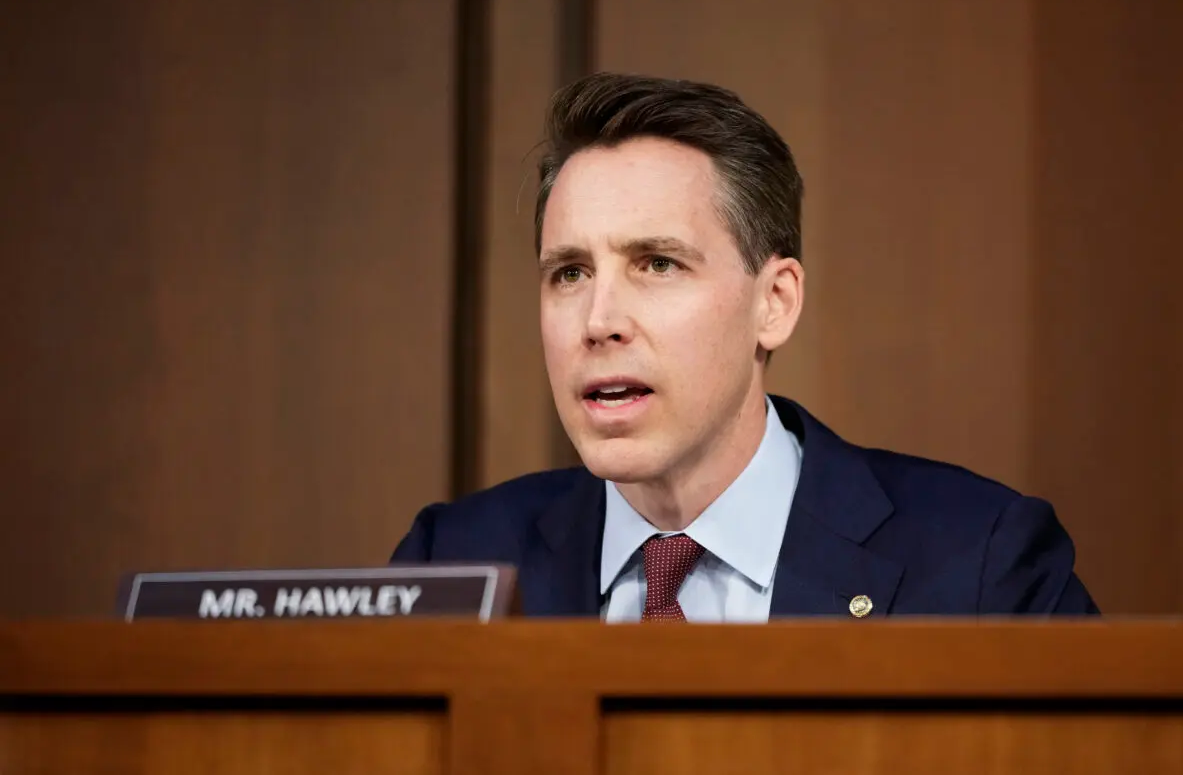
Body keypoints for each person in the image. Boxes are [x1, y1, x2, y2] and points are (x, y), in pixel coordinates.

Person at [391, 72, 1098, 620]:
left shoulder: (982, 564)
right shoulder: (455, 562)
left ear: (775, 303)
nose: (598, 320)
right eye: (570, 273)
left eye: (657, 264)